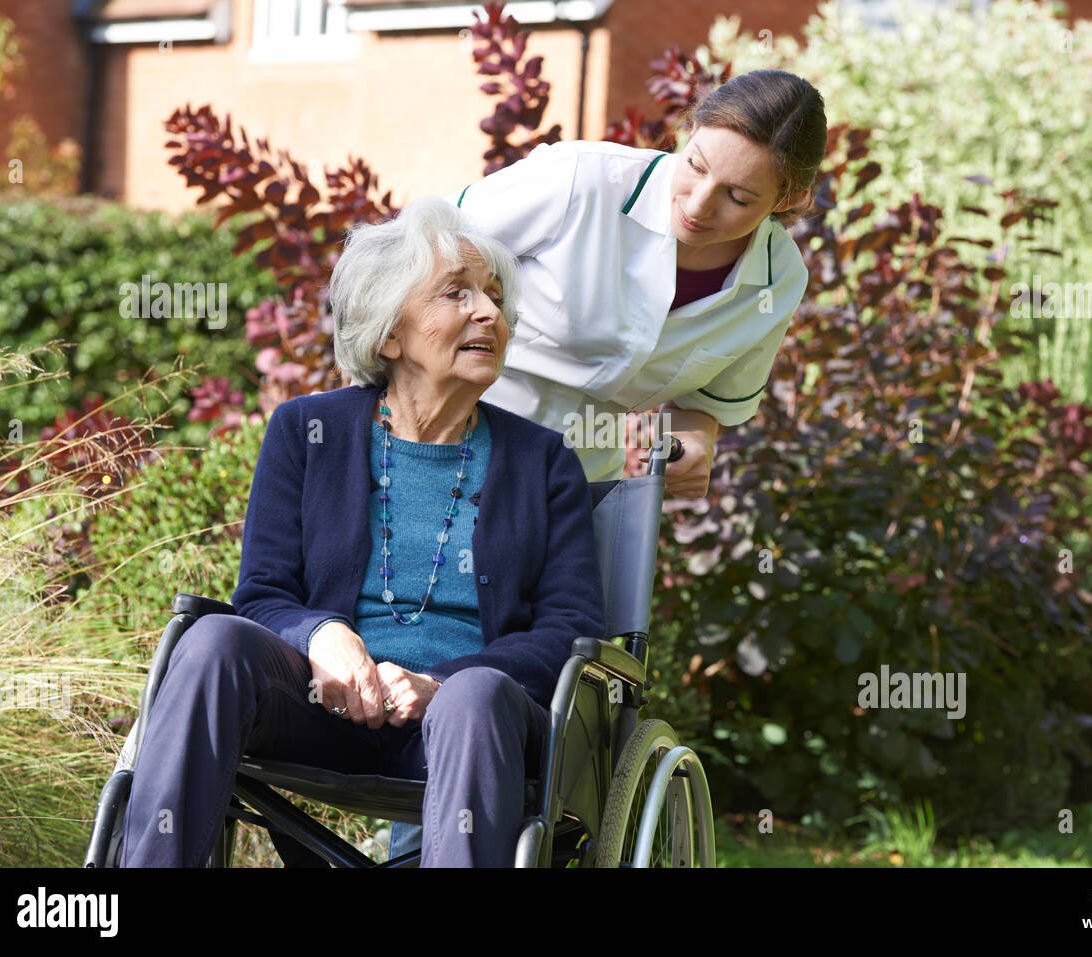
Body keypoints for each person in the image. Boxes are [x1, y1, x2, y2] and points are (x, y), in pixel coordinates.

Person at [118, 198, 606, 867]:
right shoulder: (306, 432)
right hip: (323, 706)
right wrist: (322, 634)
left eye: (494, 297)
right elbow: (263, 594)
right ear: (389, 335)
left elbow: (568, 632)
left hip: (467, 728)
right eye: (456, 293)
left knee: (476, 695)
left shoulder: (544, 462)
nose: (491, 313)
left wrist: (446, 681)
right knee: (212, 642)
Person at [446, 68, 825, 498]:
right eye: (696, 166)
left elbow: (703, 407)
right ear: (692, 128)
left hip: (580, 485)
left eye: (738, 197)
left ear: (788, 199)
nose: (698, 206)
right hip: (448, 440)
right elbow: (418, 257)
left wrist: (694, 444)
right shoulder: (582, 179)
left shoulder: (779, 280)